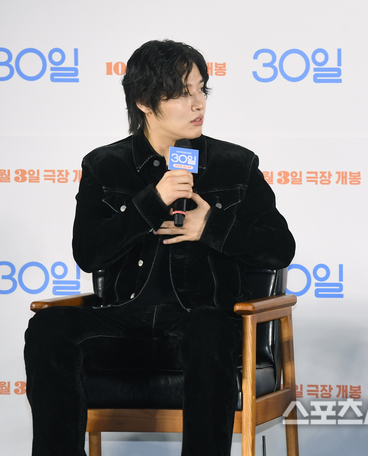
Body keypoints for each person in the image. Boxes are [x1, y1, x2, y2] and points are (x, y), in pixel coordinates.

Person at [24, 39, 295, 456]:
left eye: (202, 89)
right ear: (144, 102)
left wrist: (211, 227)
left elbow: (280, 248)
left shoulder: (235, 165)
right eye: (182, 93)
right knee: (48, 327)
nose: (198, 103)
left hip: (198, 323)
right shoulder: (104, 166)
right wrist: (150, 203)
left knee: (209, 329)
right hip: (123, 322)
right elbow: (88, 253)